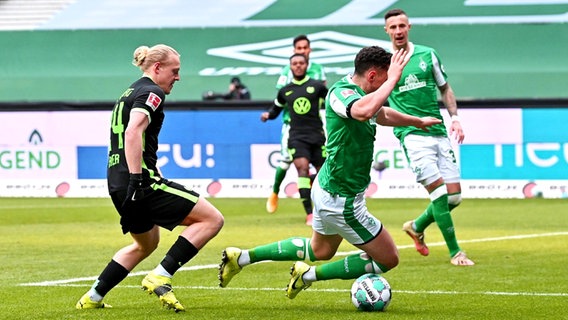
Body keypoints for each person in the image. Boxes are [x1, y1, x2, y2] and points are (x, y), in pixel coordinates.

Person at [219, 46, 441, 299]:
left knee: (320, 250)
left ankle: (242, 257)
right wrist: (391, 80)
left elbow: (381, 113)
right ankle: (308, 276)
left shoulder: (363, 93)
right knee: (389, 258)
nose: (389, 84)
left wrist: (417, 121)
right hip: (340, 198)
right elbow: (363, 111)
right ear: (372, 76)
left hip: (331, 189)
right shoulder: (341, 93)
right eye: (385, 77)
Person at [76, 44, 224, 312]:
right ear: (157, 68)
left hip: (117, 183)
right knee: (212, 219)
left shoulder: (129, 92)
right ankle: (161, 275)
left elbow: (132, 137)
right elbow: (133, 132)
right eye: (174, 71)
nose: (177, 77)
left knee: (146, 244)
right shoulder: (152, 92)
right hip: (139, 182)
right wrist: (138, 178)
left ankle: (93, 297)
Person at [383, 8, 474, 266]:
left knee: (454, 197)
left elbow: (445, 88)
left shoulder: (427, 54)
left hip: (438, 131)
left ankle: (416, 225)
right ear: (387, 31)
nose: (398, 31)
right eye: (393, 27)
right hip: (411, 134)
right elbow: (378, 99)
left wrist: (455, 118)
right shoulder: (385, 63)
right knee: (439, 195)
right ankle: (456, 253)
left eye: (402, 26)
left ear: (409, 27)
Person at [260, 53, 328, 226]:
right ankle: (309, 214)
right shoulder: (285, 91)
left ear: (306, 65)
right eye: (294, 63)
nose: (298, 66)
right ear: (290, 67)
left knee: (324, 176)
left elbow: (332, 102)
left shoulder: (317, 87)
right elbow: (276, 109)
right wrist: (268, 115)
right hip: (297, 137)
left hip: (317, 135)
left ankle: (325, 209)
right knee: (302, 170)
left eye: (301, 63)